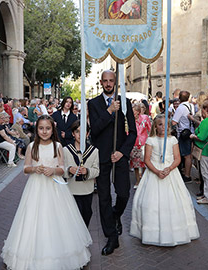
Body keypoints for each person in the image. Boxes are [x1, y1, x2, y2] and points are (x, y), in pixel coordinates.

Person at [1, 115, 92, 270]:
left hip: (55, 187)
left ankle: (62, 255)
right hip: (36, 187)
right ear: (37, 129)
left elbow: (62, 168)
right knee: (33, 218)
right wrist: (35, 169)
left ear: (52, 129)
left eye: (47, 128)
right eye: (41, 128)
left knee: (57, 219)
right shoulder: (31, 147)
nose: (44, 131)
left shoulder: (57, 146)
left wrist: (53, 170)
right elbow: (25, 168)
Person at [130, 115, 199, 246]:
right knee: (152, 202)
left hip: (170, 172)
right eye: (160, 124)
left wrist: (169, 168)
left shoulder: (172, 140)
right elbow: (147, 160)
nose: (163, 127)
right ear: (155, 126)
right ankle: (152, 232)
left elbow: (177, 158)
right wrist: (157, 171)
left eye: (165, 124)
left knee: (173, 201)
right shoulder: (151, 140)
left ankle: (175, 230)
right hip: (154, 172)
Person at [88, 70, 136, 255]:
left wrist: (122, 152)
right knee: (104, 198)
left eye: (111, 81)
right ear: (101, 82)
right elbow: (95, 131)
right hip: (102, 158)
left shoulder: (125, 103)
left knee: (123, 194)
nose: (108, 84)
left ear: (115, 82)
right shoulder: (94, 104)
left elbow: (132, 132)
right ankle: (111, 237)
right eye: (105, 81)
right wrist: (109, 111)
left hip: (120, 158)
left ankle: (116, 215)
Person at [63, 120, 99, 227]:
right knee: (72, 217)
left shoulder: (94, 151)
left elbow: (97, 170)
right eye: (77, 132)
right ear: (73, 134)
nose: (80, 135)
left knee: (86, 214)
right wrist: (69, 170)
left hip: (87, 190)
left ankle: (83, 238)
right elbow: (60, 169)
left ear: (87, 134)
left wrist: (87, 171)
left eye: (83, 132)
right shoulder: (66, 150)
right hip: (72, 190)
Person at [190, 101, 208, 204]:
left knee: (206, 174)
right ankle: (207, 194)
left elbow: (201, 136)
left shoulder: (206, 122)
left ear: (205, 110)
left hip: (206, 151)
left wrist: (193, 136)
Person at [172, 91, 195, 183]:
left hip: (183, 133)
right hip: (190, 132)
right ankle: (187, 173)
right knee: (188, 155)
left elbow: (174, 122)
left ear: (179, 98)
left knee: (186, 155)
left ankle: (187, 175)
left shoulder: (180, 108)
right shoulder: (191, 106)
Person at [130, 103, 151, 189]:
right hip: (134, 143)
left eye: (134, 113)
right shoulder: (130, 120)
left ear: (138, 112)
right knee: (135, 164)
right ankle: (138, 180)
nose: (133, 115)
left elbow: (150, 129)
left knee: (145, 163)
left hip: (144, 143)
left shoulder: (145, 118)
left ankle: (145, 179)